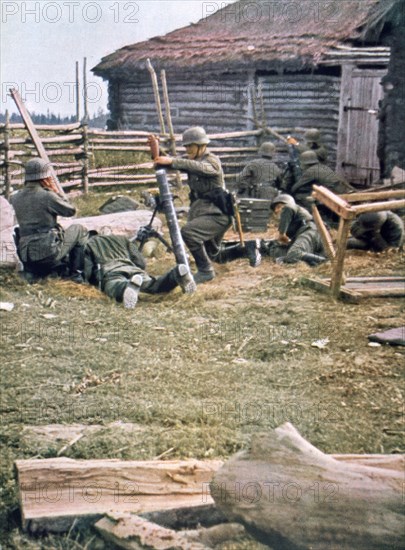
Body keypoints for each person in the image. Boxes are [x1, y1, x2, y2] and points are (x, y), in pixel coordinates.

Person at [154, 126, 232, 284]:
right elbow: (165, 164)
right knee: (214, 254)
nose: (187, 149)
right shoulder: (192, 161)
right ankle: (250, 248)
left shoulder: (211, 160)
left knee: (189, 233)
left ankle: (205, 271)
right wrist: (155, 150)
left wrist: (174, 161)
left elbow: (205, 169)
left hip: (218, 215)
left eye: (190, 146)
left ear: (201, 146)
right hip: (203, 213)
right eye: (186, 146)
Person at [11, 158, 88, 282]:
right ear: (45, 177)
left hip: (27, 258)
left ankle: (34, 273)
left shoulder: (15, 197)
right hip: (48, 255)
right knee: (79, 229)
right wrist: (57, 192)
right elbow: (70, 211)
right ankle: (76, 276)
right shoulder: (47, 195)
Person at [83, 234, 195, 309]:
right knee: (154, 285)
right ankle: (175, 274)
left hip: (111, 270)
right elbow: (140, 261)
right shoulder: (122, 239)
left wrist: (90, 281)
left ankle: (127, 287)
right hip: (133, 268)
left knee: (114, 285)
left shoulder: (89, 244)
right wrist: (138, 269)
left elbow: (87, 268)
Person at [261, 194, 327, 266]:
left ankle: (326, 262)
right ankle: (316, 262)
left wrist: (282, 234)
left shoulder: (289, 207)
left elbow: (288, 208)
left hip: (310, 231)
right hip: (311, 236)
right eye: (275, 209)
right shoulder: (292, 221)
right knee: (287, 253)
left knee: (293, 254)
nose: (276, 211)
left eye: (278, 207)